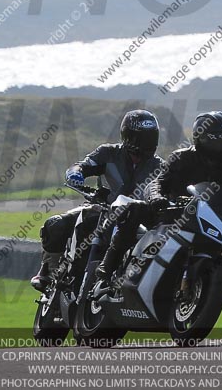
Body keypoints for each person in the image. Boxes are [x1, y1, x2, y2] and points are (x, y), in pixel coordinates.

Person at [96, 111, 222, 281]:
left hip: (209, 221)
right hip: (171, 212)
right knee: (133, 209)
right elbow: (157, 182)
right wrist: (156, 197)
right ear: (202, 139)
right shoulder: (182, 158)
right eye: (220, 141)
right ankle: (107, 268)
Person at [30, 109, 164, 292]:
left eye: (151, 138)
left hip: (133, 221)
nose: (148, 144)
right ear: (128, 136)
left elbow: (169, 190)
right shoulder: (108, 153)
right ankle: (48, 271)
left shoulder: (160, 167)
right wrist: (76, 173)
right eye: (142, 139)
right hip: (100, 209)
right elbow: (82, 165)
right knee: (56, 225)